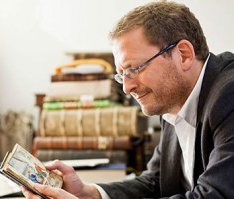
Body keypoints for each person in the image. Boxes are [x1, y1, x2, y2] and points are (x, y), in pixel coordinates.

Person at [22, 1, 234, 198]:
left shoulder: (229, 95)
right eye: (121, 73)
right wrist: (89, 193)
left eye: (134, 69)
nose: (126, 87)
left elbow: (213, 195)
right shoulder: (172, 100)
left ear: (184, 55)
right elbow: (156, 182)